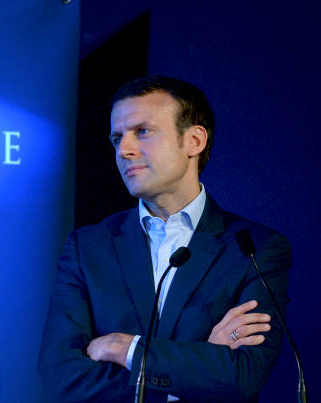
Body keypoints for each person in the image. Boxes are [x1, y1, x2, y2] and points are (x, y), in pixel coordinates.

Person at [37, 76, 290, 402]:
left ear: (194, 141)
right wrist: (193, 371)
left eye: (142, 131)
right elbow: (61, 376)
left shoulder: (253, 249)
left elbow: (242, 376)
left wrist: (125, 348)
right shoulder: (88, 247)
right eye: (117, 138)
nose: (124, 150)